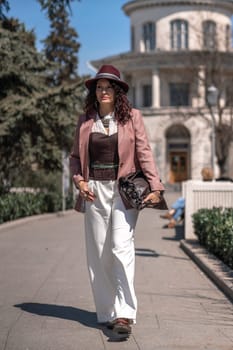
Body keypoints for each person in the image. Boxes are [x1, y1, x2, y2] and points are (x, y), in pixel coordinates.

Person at [69, 64, 164, 338]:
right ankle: (108, 311)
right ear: (94, 92)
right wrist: (81, 182)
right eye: (100, 87)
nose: (104, 91)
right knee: (99, 253)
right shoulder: (85, 120)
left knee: (121, 247)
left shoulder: (132, 117)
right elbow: (75, 158)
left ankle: (124, 314)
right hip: (94, 191)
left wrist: (156, 186)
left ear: (118, 92)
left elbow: (144, 152)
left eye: (109, 87)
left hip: (124, 191)